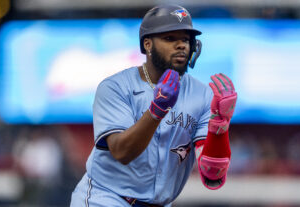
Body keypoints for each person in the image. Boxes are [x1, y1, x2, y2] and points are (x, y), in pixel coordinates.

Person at [70, 4, 237, 207]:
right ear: (147, 44)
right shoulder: (115, 87)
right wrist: (156, 111)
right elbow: (122, 153)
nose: (181, 45)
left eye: (185, 39)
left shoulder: (201, 95)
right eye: (170, 38)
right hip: (106, 198)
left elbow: (211, 175)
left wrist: (219, 126)